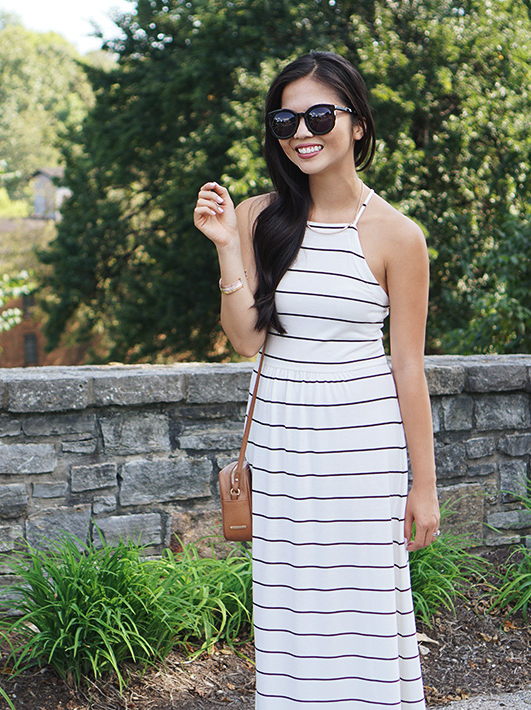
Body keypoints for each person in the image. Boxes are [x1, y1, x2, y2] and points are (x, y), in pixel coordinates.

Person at [193, 51, 440, 709]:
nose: (302, 132)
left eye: (319, 116)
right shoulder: (258, 217)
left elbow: (408, 366)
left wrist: (423, 486)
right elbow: (247, 340)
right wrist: (226, 247)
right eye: (286, 120)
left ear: (357, 124)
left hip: (363, 448)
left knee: (361, 610)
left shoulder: (398, 236)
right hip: (282, 441)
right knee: (293, 613)